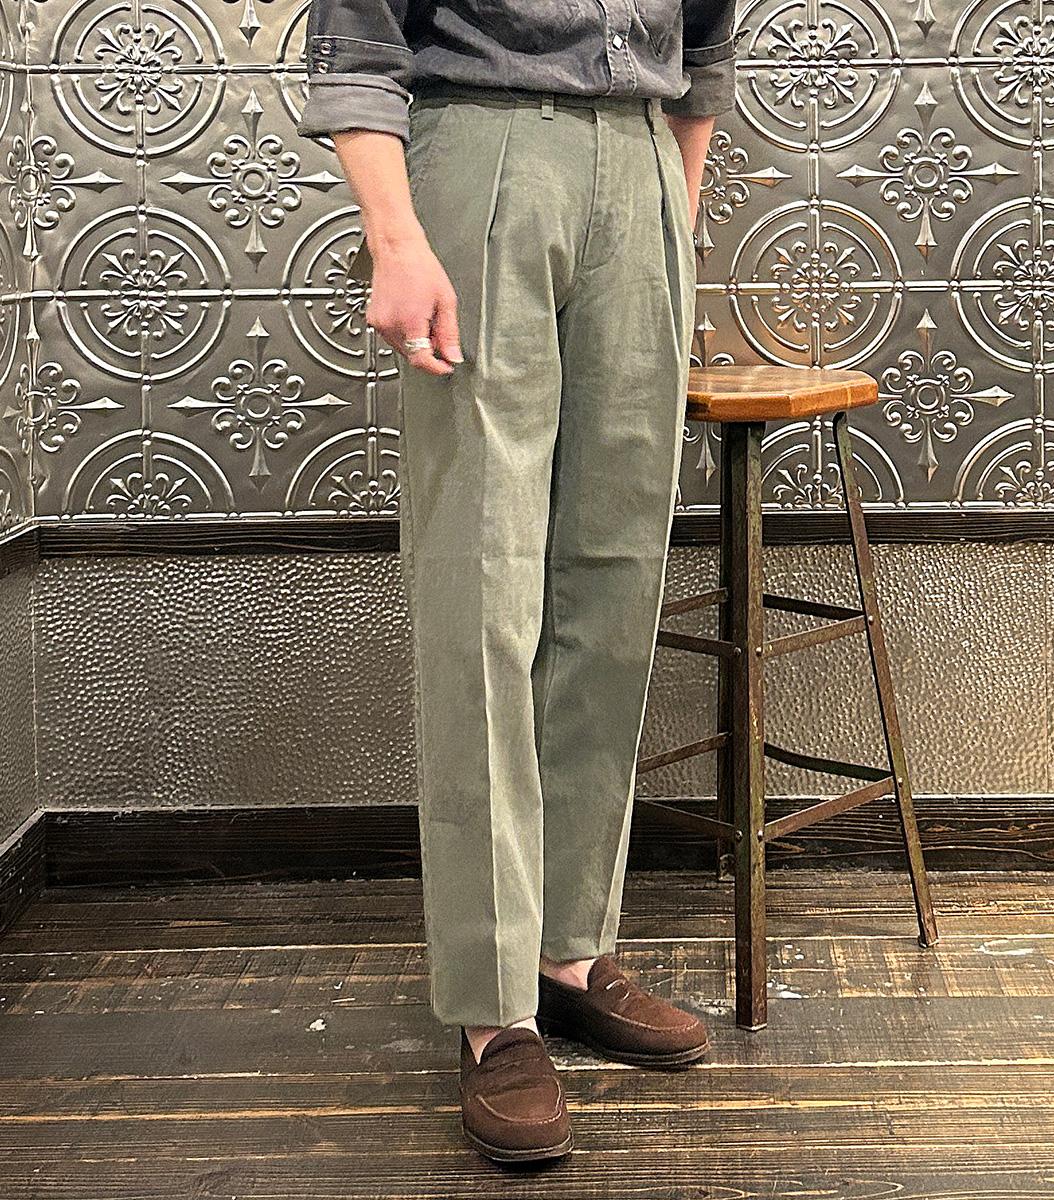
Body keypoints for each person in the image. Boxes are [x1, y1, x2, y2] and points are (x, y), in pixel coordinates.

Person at [297, 0, 737, 1164]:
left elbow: (704, 47)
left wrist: (674, 212)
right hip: (482, 148)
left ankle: (567, 954)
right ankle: (494, 1010)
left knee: (615, 579)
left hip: (643, 165)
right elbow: (359, 44)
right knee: (480, 587)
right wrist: (397, 237)